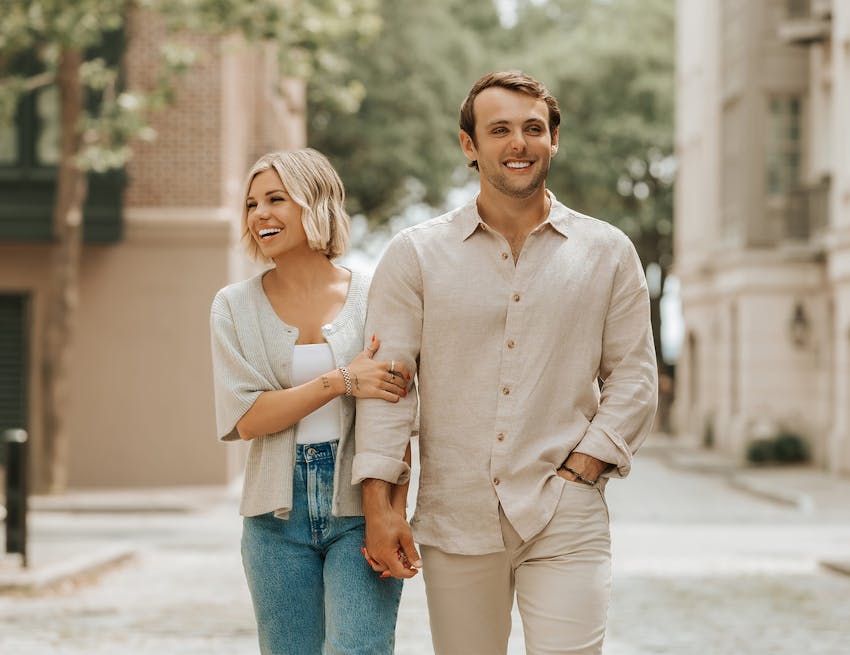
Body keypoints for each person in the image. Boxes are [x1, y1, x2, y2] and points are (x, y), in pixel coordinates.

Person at [353, 71, 658, 654]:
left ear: (553, 139)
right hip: (455, 515)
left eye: (532, 128)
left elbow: (635, 377)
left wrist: (586, 467)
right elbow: (388, 388)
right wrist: (378, 504)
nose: (518, 143)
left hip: (564, 511)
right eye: (499, 130)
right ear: (470, 145)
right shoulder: (415, 256)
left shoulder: (608, 252)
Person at [210, 148, 412, 655]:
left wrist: (393, 510)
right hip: (274, 519)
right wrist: (341, 380)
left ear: (316, 203)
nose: (260, 215)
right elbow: (248, 417)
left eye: (276, 199)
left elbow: (396, 413)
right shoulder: (233, 306)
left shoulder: (376, 297)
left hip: (359, 508)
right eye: (252, 204)